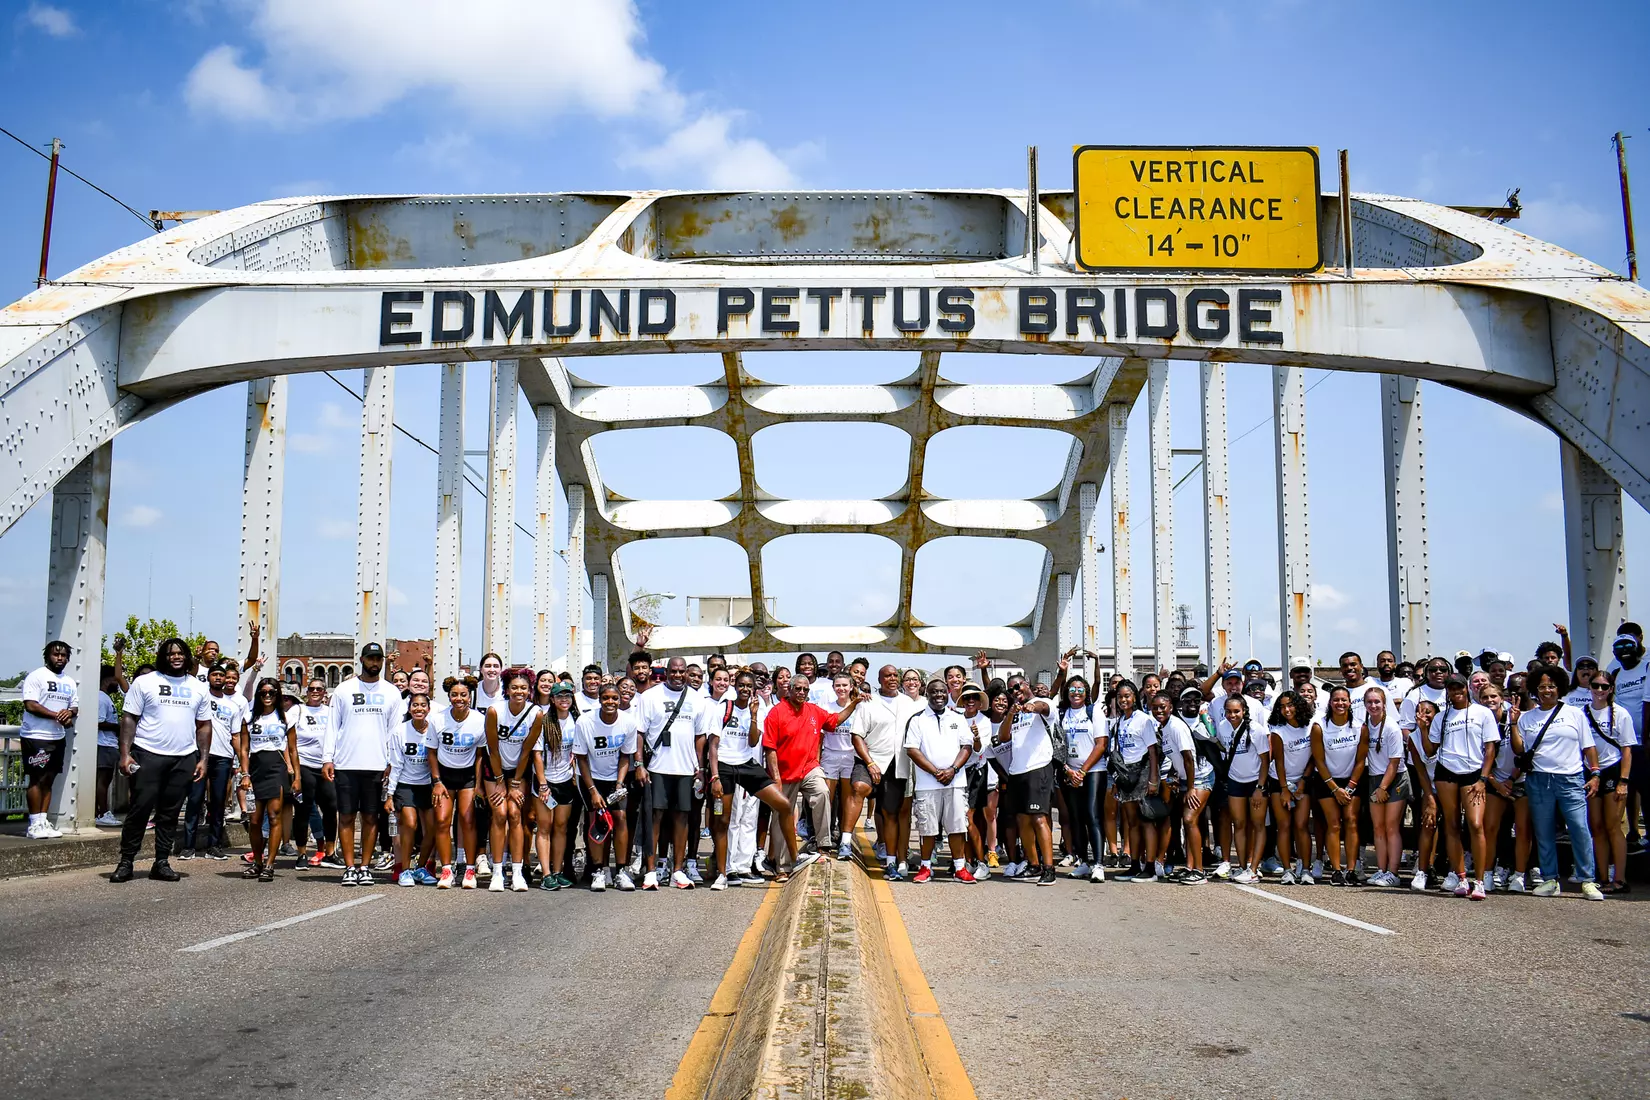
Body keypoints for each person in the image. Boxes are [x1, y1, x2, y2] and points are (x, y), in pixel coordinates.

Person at [113, 638, 212, 883]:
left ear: (187, 656)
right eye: (170, 654)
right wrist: (125, 754)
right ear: (163, 657)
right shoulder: (145, 682)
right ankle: (126, 861)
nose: (175, 657)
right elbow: (129, 719)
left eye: (180, 653)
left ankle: (161, 862)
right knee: (140, 809)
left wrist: (204, 759)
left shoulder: (199, 687)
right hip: (148, 753)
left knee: (170, 813)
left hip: (183, 758)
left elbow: (204, 725)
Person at [706, 668, 813, 887]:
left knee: (783, 805)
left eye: (749, 686)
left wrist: (754, 716)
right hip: (725, 766)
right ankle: (723, 873)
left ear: (754, 689)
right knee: (723, 821)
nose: (745, 689)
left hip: (746, 765)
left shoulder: (757, 710)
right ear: (736, 687)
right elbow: (713, 746)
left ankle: (794, 858)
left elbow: (753, 742)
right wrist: (714, 776)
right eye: (742, 685)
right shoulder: (723, 708)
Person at [1513, 664, 1605, 900]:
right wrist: (1513, 723)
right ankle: (1550, 879)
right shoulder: (1526, 718)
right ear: (1535, 688)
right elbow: (1519, 749)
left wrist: (1595, 773)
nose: (1547, 690)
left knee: (1579, 829)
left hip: (1571, 778)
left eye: (1551, 686)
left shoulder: (1574, 713)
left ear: (1559, 688)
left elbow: (1588, 746)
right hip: (1539, 779)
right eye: (1542, 686)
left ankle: (1587, 880)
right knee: (1544, 832)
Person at [327, 643, 400, 886]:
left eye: (378, 659)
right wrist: (328, 757)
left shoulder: (391, 692)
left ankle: (365, 866)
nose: (374, 663)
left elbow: (394, 731)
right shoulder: (344, 690)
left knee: (370, 818)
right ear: (361, 659)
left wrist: (392, 761)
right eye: (370, 658)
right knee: (346, 816)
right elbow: (332, 726)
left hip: (377, 764)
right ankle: (350, 866)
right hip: (346, 763)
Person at [761, 673, 844, 880]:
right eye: (797, 688)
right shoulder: (776, 713)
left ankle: (823, 844)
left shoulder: (814, 710)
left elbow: (835, 720)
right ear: (789, 689)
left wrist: (855, 703)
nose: (801, 692)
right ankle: (782, 867)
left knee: (823, 792)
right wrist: (777, 778)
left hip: (808, 768)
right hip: (785, 774)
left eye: (805, 689)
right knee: (783, 816)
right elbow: (769, 749)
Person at [634, 657, 707, 890]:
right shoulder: (650, 697)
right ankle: (651, 871)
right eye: (673, 671)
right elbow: (639, 733)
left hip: (685, 770)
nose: (677, 675)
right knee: (654, 818)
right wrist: (639, 764)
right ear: (666, 672)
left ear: (687, 673)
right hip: (657, 768)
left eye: (681, 671)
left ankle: (677, 871)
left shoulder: (697, 699)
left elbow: (700, 736)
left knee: (682, 819)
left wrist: (700, 768)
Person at [1427, 674, 1499, 899]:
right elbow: (1430, 750)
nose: (1456, 692)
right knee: (1451, 825)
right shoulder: (1442, 717)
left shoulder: (1483, 713)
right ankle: (1460, 876)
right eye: (1451, 688)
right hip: (1446, 771)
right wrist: (1421, 728)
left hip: (1473, 773)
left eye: (1459, 687)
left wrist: (1483, 779)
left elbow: (1490, 749)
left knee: (1476, 825)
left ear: (1467, 688)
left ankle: (1479, 880)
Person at [904, 678, 977, 884]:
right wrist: (936, 772)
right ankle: (926, 867)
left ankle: (960, 868)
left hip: (955, 782)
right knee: (927, 828)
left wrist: (952, 770)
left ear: (947, 694)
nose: (938, 695)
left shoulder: (958, 717)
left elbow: (967, 746)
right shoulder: (918, 719)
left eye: (942, 692)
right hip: (928, 784)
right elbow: (912, 750)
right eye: (934, 692)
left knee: (957, 827)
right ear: (927, 694)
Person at [573, 681, 639, 891]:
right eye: (606, 698)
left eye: (614, 698)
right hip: (590, 777)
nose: (610, 702)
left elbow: (625, 756)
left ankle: (620, 870)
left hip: (615, 777)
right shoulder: (585, 722)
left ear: (620, 701)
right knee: (597, 820)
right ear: (599, 700)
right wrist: (592, 790)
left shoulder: (628, 722)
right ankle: (599, 871)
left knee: (620, 818)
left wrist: (619, 783)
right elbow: (581, 758)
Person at [482, 669, 543, 893]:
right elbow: (493, 748)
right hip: (495, 767)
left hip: (519, 769)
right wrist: (500, 781)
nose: (519, 692)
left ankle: (517, 872)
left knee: (516, 814)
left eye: (524, 688)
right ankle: (497, 872)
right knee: (499, 814)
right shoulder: (494, 711)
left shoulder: (536, 713)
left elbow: (527, 749)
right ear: (507, 690)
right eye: (515, 688)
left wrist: (515, 783)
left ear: (529, 691)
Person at [995, 674, 1058, 885]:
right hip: (1016, 771)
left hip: (1037, 768)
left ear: (1027, 683)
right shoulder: (1014, 710)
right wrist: (1012, 711)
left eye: (1018, 686)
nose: (1015, 691)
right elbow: (1003, 737)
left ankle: (1049, 869)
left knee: (1039, 818)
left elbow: (1043, 707)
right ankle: (1033, 864)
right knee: (1022, 819)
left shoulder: (1041, 702)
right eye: (1011, 689)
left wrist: (1034, 706)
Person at [235, 678, 296, 882]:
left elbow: (293, 750)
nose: (267, 696)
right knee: (254, 820)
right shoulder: (249, 717)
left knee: (274, 816)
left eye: (271, 692)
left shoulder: (285, 718)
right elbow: (243, 749)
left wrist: (297, 777)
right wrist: (245, 774)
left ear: (277, 695)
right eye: (263, 693)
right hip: (256, 768)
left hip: (276, 768)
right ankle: (257, 862)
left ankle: (270, 863)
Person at [182, 660, 243, 860]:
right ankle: (188, 847)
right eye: (214, 674)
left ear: (226, 680)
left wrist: (242, 760)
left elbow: (236, 736)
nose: (218, 678)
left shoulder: (233, 706)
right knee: (195, 799)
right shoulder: (200, 697)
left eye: (221, 675)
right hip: (200, 755)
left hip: (224, 756)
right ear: (208, 677)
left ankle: (214, 846)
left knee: (218, 803)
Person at [429, 676, 486, 889]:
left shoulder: (479, 720)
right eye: (454, 694)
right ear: (449, 696)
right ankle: (446, 869)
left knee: (467, 819)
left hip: (468, 775)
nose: (459, 698)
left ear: (470, 696)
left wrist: (479, 784)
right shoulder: (438, 719)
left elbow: (481, 755)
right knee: (442, 820)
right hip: (444, 775)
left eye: (463, 695)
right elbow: (431, 752)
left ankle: (469, 869)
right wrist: (436, 781)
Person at [1583, 670, 1636, 893]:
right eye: (1596, 685)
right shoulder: (1581, 713)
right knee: (1596, 826)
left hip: (1613, 769)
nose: (1600, 690)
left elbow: (1627, 750)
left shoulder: (1620, 713)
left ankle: (1620, 878)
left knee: (1613, 825)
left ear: (1611, 689)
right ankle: (1602, 877)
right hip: (1590, 769)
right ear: (1590, 687)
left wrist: (1624, 780)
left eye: (1605, 686)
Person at [20, 640, 78, 838]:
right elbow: (31, 705)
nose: (59, 658)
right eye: (55, 654)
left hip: (57, 737)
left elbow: (74, 707)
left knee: (49, 779)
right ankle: (33, 824)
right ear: (47, 656)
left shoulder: (69, 682)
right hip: (36, 736)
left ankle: (43, 821)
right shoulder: (36, 676)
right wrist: (56, 715)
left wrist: (68, 713)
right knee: (37, 778)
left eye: (63, 655)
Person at [1310, 685, 1367, 886]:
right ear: (1330, 703)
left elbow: (1361, 760)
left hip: (1352, 779)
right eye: (1336, 700)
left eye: (1344, 700)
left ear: (1350, 702)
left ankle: (1351, 869)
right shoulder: (1319, 726)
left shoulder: (1360, 726)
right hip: (1327, 780)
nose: (1340, 703)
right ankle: (1336, 870)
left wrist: (1349, 787)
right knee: (1333, 824)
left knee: (1351, 821)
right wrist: (1335, 789)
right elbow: (1319, 760)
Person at [1058, 655, 1107, 882]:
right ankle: (1084, 861)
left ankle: (1098, 863)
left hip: (1093, 770)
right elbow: (1058, 744)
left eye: (1080, 690)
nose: (1076, 693)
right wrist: (1069, 770)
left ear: (1087, 693)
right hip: (1071, 771)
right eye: (1072, 690)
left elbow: (1101, 744)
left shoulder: (1094, 711)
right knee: (1075, 817)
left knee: (1092, 814)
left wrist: (1083, 771)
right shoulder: (1062, 714)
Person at [1480, 683, 1531, 892]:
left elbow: (1524, 754)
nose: (1490, 700)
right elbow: (1481, 759)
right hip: (1494, 781)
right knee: (1489, 829)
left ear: (1502, 697)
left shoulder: (1518, 717)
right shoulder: (1480, 720)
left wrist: (1511, 780)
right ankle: (1488, 874)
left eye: (1494, 696)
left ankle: (1519, 876)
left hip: (1521, 779)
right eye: (1485, 697)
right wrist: (1496, 784)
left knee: (1522, 830)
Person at [531, 679, 579, 891]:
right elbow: (537, 754)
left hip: (565, 780)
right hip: (545, 782)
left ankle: (558, 871)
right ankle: (546, 874)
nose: (564, 700)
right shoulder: (544, 721)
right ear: (552, 699)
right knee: (544, 827)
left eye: (567, 696)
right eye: (559, 696)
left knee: (561, 827)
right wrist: (542, 784)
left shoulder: (576, 720)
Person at [387, 691, 439, 887]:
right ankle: (405, 870)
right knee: (409, 824)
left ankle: (421, 867)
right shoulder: (400, 731)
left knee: (433, 827)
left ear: (428, 709)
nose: (419, 709)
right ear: (409, 709)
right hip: (406, 784)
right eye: (415, 705)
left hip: (428, 784)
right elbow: (396, 764)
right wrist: (390, 794)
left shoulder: (434, 729)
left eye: (423, 705)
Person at [1215, 693, 1266, 885]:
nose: (1232, 715)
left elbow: (1265, 759)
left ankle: (1254, 868)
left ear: (1244, 711)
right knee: (1239, 824)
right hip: (1235, 780)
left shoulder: (1256, 729)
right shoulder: (1222, 727)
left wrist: (1260, 787)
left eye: (1236, 711)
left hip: (1255, 781)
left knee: (1258, 824)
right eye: (1228, 711)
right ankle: (1243, 866)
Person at [1604, 629, 1647, 853]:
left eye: (1628, 647)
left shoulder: (1647, 667)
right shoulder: (1617, 672)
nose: (1624, 652)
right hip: (1624, 743)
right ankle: (1632, 832)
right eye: (1619, 649)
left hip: (1644, 741)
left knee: (1646, 788)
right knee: (1628, 788)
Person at [1362, 688, 1410, 888]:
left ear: (1384, 704)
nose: (1373, 706)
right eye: (1369, 702)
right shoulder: (1366, 726)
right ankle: (1381, 870)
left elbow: (1394, 762)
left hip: (1394, 779)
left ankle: (1393, 872)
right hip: (1375, 778)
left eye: (1377, 702)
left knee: (1391, 827)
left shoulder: (1391, 727)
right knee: (1378, 827)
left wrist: (1383, 787)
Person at [1267, 690, 1315, 885]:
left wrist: (1302, 782)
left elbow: (1314, 757)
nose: (1286, 709)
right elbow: (1278, 762)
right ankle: (1287, 870)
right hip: (1280, 781)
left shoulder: (1311, 726)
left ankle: (1305, 868)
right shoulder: (1278, 730)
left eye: (1290, 705)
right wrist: (1285, 789)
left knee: (1302, 826)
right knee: (1284, 826)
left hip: (1303, 781)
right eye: (1282, 706)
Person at [292, 677, 341, 869]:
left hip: (325, 766)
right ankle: (301, 853)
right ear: (306, 692)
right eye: (311, 688)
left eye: (319, 689)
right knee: (303, 810)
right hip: (304, 765)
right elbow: (288, 736)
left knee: (330, 808)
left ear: (324, 693)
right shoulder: (298, 710)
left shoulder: (330, 712)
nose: (315, 692)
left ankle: (329, 852)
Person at [1406, 698, 1442, 892]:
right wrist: (1429, 797)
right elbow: (1420, 768)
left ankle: (1450, 869)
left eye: (1428, 712)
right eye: (1420, 712)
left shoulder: (1444, 733)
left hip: (1448, 783)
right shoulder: (1412, 737)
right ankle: (1424, 867)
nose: (1424, 716)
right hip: (1428, 785)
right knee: (1428, 822)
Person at [94, 641, 129, 827]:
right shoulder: (101, 697)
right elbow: (97, 722)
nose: (117, 684)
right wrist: (119, 727)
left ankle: (100, 812)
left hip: (109, 744)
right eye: (115, 681)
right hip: (104, 744)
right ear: (108, 680)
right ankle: (103, 812)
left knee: (104, 781)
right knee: (102, 780)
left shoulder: (105, 698)